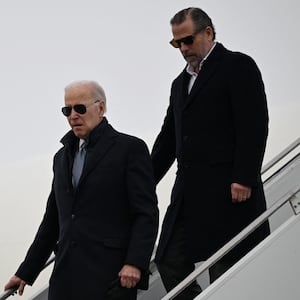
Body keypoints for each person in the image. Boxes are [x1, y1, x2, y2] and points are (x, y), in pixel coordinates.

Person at [151, 7, 270, 299]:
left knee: (226, 267)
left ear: (208, 32)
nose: (183, 48)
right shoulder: (180, 84)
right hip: (188, 192)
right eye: (176, 43)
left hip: (229, 190)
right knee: (168, 259)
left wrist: (244, 176)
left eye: (188, 40)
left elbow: (254, 124)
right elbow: (168, 140)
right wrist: (142, 180)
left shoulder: (237, 65)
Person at [4, 80, 159, 300]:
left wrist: (135, 262)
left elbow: (146, 213)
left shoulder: (129, 149)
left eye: (80, 108)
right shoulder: (61, 158)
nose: (73, 116)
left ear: (101, 108)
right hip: (66, 278)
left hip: (110, 276)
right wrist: (25, 272)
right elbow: (52, 221)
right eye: (67, 110)